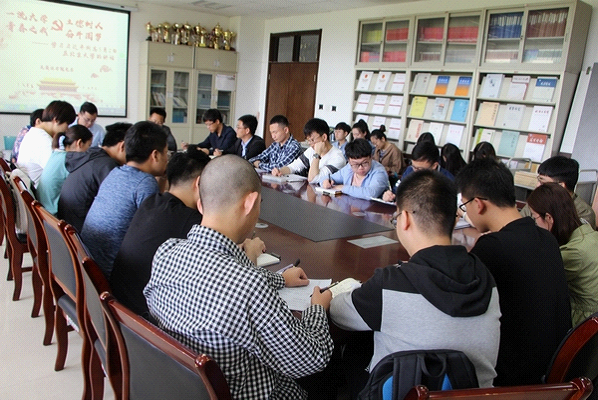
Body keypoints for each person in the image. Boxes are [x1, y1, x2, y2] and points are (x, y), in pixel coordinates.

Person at [144, 154, 334, 399]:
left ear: (200, 203)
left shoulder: (166, 252)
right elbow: (311, 358)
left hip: (183, 387)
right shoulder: (249, 287)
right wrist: (317, 309)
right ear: (250, 203)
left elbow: (227, 278)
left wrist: (281, 279)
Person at [330, 169, 500, 393]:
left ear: (406, 219)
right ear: (454, 218)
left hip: (402, 393)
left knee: (354, 348)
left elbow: (338, 313)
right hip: (475, 396)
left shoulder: (390, 283)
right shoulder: (486, 279)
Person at [456, 158, 571, 386]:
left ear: (478, 204)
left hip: (512, 379)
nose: (465, 212)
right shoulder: (547, 239)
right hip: (554, 371)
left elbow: (459, 304)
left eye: (464, 206)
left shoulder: (492, 247)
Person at [110, 148, 210, 316]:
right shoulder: (190, 219)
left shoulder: (152, 201)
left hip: (118, 305)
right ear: (199, 183)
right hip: (144, 316)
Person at [81, 121, 168, 279]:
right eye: (166, 153)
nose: (167, 159)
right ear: (155, 155)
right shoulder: (145, 182)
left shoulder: (116, 172)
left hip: (90, 263)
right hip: (111, 274)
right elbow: (152, 235)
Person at [527, 182, 598, 326]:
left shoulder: (573, 253)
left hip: (584, 322)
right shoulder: (588, 233)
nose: (534, 224)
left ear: (549, 218)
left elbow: (537, 280)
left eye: (534, 218)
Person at [58, 122, 129, 232]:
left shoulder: (92, 156)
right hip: (81, 232)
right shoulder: (107, 166)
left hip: (68, 228)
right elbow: (119, 208)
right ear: (122, 146)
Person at [520, 156, 596, 229]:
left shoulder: (584, 212)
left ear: (560, 186)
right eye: (538, 180)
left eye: (542, 182)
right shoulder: (537, 201)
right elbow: (518, 225)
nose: (537, 186)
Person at [17, 100, 77, 188]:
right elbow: (60, 172)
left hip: (33, 187)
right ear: (56, 120)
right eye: (67, 124)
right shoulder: (43, 140)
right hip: (40, 192)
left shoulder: (35, 132)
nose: (67, 129)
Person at [37, 126, 92, 215]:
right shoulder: (70, 160)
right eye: (89, 145)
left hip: (44, 210)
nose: (88, 150)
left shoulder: (56, 154)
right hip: (53, 214)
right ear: (79, 143)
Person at [272, 118, 345, 182]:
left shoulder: (338, 157)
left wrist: (317, 154)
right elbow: (293, 167)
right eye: (308, 140)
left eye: (312, 140)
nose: (310, 144)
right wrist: (280, 171)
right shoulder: (311, 150)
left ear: (324, 137)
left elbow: (313, 179)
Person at [382, 141, 453, 202]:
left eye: (419, 169)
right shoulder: (409, 170)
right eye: (414, 166)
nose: (415, 171)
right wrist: (389, 195)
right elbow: (396, 191)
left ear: (434, 165)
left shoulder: (448, 180)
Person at [318, 138, 388, 200]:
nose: (360, 168)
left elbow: (371, 193)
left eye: (364, 163)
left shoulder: (379, 171)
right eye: (355, 164)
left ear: (371, 157)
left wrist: (343, 188)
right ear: (349, 161)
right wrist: (325, 182)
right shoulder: (349, 167)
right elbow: (328, 178)